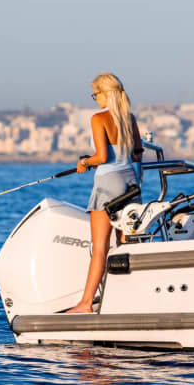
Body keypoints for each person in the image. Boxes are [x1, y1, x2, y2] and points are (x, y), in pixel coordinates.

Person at [65, 73, 143, 314]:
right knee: (125, 244)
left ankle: (85, 304)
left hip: (107, 185)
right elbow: (137, 153)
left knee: (100, 247)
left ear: (104, 93)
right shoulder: (129, 119)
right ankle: (127, 301)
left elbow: (102, 157)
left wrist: (84, 162)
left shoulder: (98, 119)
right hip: (130, 184)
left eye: (95, 93)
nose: (94, 98)